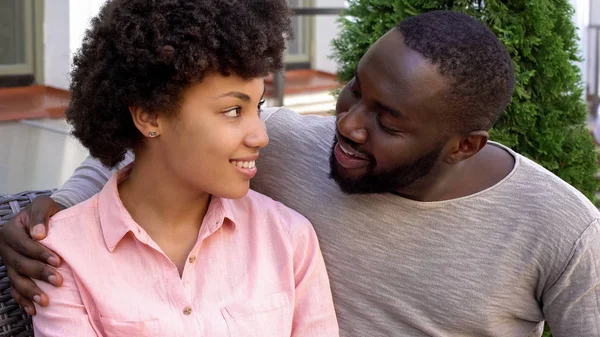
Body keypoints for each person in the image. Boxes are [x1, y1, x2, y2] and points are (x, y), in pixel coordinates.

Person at [1, 10, 599, 337]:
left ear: (463, 146)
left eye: (387, 121)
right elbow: (150, 135)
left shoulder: (565, 231)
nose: (349, 126)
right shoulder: (287, 144)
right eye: (353, 92)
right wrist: (57, 209)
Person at [5, 0, 339, 336]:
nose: (261, 136)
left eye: (258, 106)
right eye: (234, 110)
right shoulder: (64, 256)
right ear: (149, 116)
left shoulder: (289, 239)